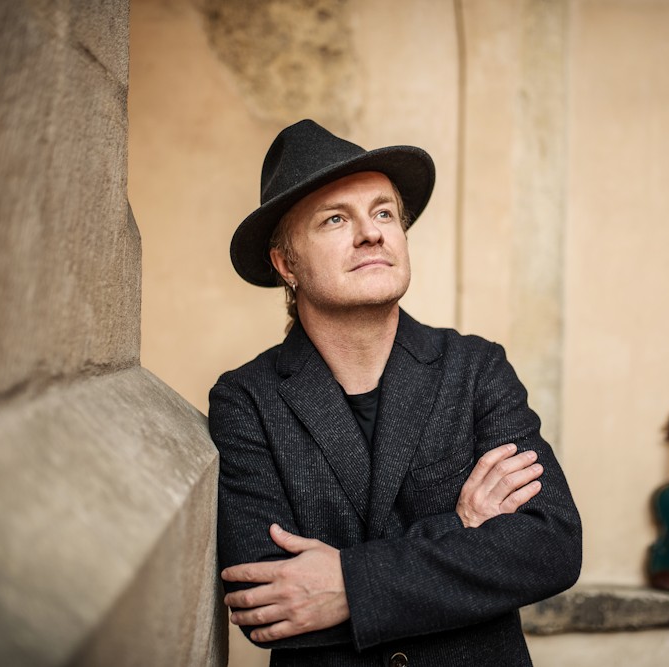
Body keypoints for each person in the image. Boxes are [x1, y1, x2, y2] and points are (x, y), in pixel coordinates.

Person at [208, 119, 581, 667]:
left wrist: (348, 585)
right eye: (336, 219)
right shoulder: (246, 401)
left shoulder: (476, 369)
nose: (371, 233)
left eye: (383, 213)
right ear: (286, 264)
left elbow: (550, 546)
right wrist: (462, 528)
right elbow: (266, 603)